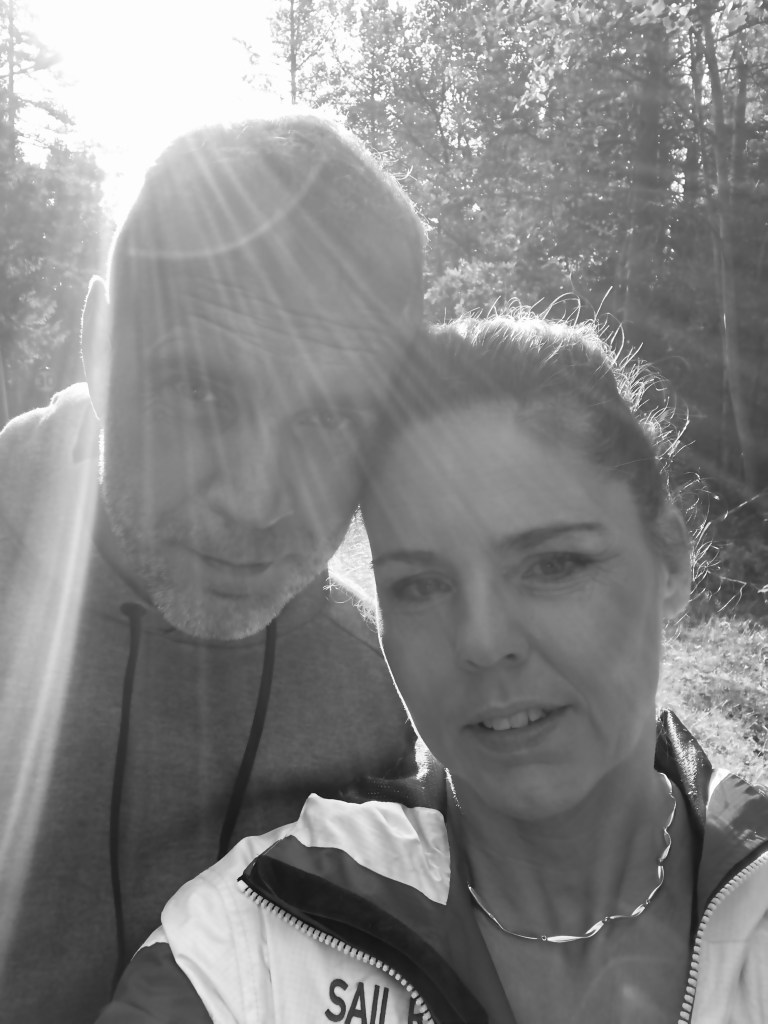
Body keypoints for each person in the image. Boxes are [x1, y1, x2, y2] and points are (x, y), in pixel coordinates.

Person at [96, 313, 768, 1024]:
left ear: (670, 561)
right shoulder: (260, 929)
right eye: (420, 585)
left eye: (553, 565)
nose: (482, 641)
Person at [0, 112, 425, 1024]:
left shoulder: (376, 689)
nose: (253, 499)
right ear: (99, 343)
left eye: (328, 420)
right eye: (199, 389)